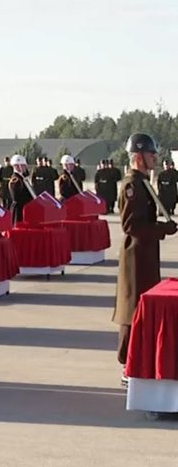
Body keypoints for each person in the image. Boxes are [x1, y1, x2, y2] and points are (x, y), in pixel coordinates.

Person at [114, 133, 178, 373]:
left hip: (145, 254)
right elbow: (131, 226)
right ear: (139, 157)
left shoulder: (142, 182)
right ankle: (126, 363)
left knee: (140, 307)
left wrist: (162, 228)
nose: (155, 158)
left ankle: (136, 360)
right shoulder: (132, 185)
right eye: (151, 154)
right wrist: (161, 229)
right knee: (132, 309)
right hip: (136, 256)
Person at [8, 154, 36, 223]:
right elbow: (16, 197)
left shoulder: (22, 178)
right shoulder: (16, 180)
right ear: (16, 166)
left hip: (24, 209)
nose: (25, 167)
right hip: (19, 211)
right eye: (23, 165)